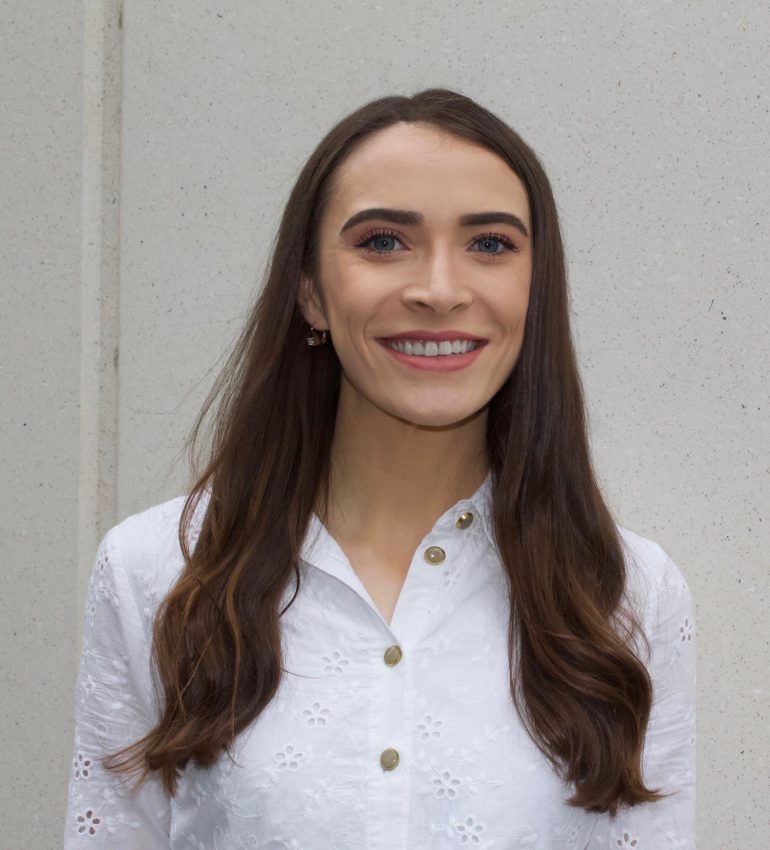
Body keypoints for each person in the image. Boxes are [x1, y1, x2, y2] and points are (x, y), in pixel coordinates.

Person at [64, 88, 696, 849]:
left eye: (490, 244)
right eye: (383, 242)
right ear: (310, 293)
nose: (439, 289)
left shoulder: (627, 593)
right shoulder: (153, 570)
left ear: (537, 289)